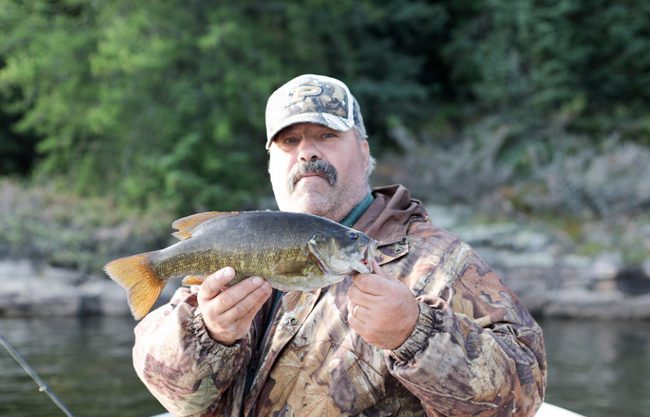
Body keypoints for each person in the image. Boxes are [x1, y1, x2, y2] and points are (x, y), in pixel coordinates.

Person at [133, 74, 547, 417]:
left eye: (326, 135)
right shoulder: (245, 241)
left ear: (364, 152)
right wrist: (210, 333)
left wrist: (416, 332)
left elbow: (523, 396)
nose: (307, 152)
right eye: (289, 142)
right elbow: (178, 398)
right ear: (271, 164)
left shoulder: (440, 264)